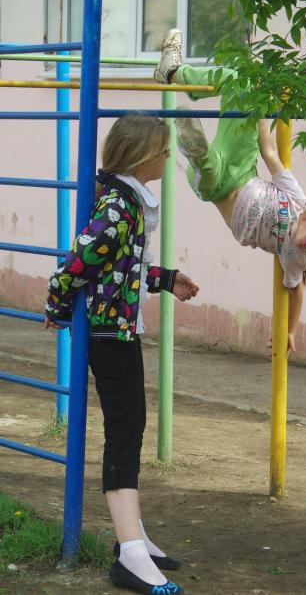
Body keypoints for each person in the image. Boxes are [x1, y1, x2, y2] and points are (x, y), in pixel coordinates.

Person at [45, 114, 198, 595]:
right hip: (109, 334)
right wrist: (57, 302)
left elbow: (121, 268)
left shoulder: (128, 200)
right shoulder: (117, 207)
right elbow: (79, 260)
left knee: (132, 427)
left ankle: (133, 538)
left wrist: (166, 279)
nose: (168, 157)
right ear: (139, 155)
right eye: (163, 149)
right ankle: (130, 553)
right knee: (124, 431)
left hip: (120, 328)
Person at [154, 29, 306, 352]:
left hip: (218, 191)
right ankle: (173, 72)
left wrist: (290, 330)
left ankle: (196, 149)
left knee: (210, 167)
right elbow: (269, 154)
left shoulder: (296, 257)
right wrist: (260, 105)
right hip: (244, 171)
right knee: (241, 80)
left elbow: (297, 291)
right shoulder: (297, 199)